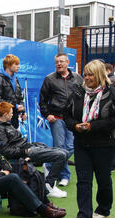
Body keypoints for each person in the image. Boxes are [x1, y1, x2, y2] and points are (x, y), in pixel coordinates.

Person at [64, 59, 115, 218]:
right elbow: (66, 115)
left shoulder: (113, 93)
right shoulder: (77, 92)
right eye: (85, 74)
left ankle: (104, 210)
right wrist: (75, 126)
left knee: (103, 179)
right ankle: (84, 216)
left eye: (90, 74)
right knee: (83, 179)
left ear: (99, 75)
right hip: (81, 142)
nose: (87, 77)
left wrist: (93, 126)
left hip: (104, 144)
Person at [0, 120, 66, 218]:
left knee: (26, 170)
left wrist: (6, 170)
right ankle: (42, 209)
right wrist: (3, 173)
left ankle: (46, 203)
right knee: (13, 178)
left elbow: (4, 161)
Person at [0, 101, 68, 198]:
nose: (13, 115)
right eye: (11, 113)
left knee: (65, 152)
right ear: (5, 114)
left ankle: (48, 178)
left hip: (28, 147)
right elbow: (5, 151)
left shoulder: (8, 124)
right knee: (61, 155)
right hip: (25, 152)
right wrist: (24, 152)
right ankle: (49, 185)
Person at [39, 53, 83, 187]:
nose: (59, 64)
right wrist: (47, 114)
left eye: (62, 61)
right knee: (59, 147)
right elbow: (42, 100)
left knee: (70, 146)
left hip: (73, 119)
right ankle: (64, 176)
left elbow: (83, 96)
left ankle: (49, 163)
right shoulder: (49, 79)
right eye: (57, 62)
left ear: (67, 62)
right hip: (56, 118)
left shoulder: (77, 78)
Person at [0, 54, 25, 129]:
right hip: (4, 119)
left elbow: (20, 98)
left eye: (18, 64)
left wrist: (22, 111)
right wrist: (15, 106)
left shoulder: (16, 80)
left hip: (15, 119)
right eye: (16, 64)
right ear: (8, 65)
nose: (18, 66)